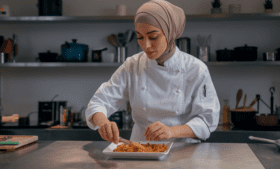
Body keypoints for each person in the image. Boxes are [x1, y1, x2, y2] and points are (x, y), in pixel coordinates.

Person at [85, 0, 220, 144]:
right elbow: (99, 102)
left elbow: (207, 121)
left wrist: (171, 131)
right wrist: (103, 122)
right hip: (139, 151)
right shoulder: (132, 65)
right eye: (140, 37)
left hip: (182, 153)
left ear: (169, 33)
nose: (146, 45)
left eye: (153, 37)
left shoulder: (196, 69)